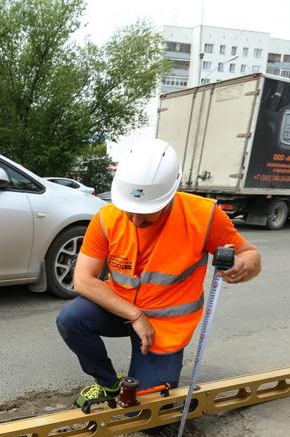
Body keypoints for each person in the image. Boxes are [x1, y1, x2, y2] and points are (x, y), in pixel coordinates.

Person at [56, 139, 262, 408]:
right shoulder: (106, 218)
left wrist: (244, 266)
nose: (136, 221)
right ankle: (107, 383)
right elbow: (83, 280)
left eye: (147, 214)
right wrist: (135, 315)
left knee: (146, 415)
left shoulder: (203, 217)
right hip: (121, 310)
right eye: (130, 212)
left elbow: (250, 255)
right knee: (71, 319)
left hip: (166, 325)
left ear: (170, 195)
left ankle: (147, 382)